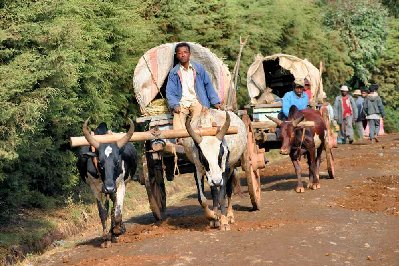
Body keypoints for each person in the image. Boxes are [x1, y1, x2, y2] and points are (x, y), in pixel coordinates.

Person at [166, 42, 221, 130]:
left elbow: (208, 85)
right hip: (182, 103)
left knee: (199, 120)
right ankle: (180, 140)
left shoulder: (199, 68)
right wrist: (175, 105)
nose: (182, 55)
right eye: (179, 53)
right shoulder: (174, 73)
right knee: (178, 121)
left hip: (197, 102)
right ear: (177, 56)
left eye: (185, 52)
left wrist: (215, 101)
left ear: (189, 54)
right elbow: (170, 92)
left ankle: (196, 139)